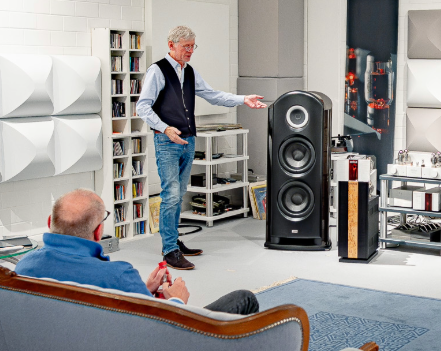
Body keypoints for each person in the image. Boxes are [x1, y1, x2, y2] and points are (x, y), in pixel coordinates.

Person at [136, 25, 266, 270]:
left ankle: (173, 241)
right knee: (171, 195)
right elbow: (143, 106)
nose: (190, 51)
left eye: (192, 46)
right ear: (171, 45)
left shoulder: (190, 72)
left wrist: (242, 99)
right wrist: (165, 128)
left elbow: (212, 95)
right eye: (186, 46)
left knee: (179, 193)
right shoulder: (158, 71)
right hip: (167, 141)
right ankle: (169, 250)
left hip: (188, 140)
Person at [15, 190, 258, 315]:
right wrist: (176, 301)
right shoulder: (118, 275)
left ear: (50, 222)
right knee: (244, 299)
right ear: (98, 232)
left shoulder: (24, 267)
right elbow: (158, 330)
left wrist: (143, 290)